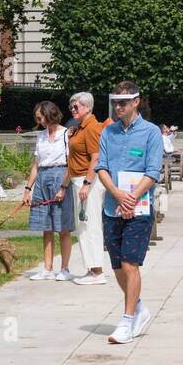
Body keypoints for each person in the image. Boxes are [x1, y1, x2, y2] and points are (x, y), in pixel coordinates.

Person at [96, 80, 163, 344]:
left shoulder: (151, 132)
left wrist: (132, 198)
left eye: (123, 102)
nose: (118, 107)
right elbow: (101, 167)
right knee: (116, 266)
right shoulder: (108, 132)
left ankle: (126, 320)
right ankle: (138, 308)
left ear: (136, 102)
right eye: (114, 102)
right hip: (113, 206)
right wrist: (116, 193)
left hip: (139, 208)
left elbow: (153, 172)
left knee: (130, 262)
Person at [23, 101, 75, 280]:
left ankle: (65, 269)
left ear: (49, 114)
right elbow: (36, 165)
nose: (39, 121)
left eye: (40, 117)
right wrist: (28, 189)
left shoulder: (66, 134)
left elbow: (71, 163)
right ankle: (47, 268)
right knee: (46, 227)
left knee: (63, 227)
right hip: (43, 178)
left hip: (60, 176)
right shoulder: (41, 136)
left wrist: (63, 186)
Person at [61, 92, 107, 285]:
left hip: (87, 181)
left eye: (76, 106)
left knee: (89, 225)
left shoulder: (92, 127)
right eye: (71, 107)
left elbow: (95, 158)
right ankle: (92, 269)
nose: (72, 110)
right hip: (78, 179)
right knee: (84, 227)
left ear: (88, 107)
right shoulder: (80, 127)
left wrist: (87, 184)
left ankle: (97, 271)